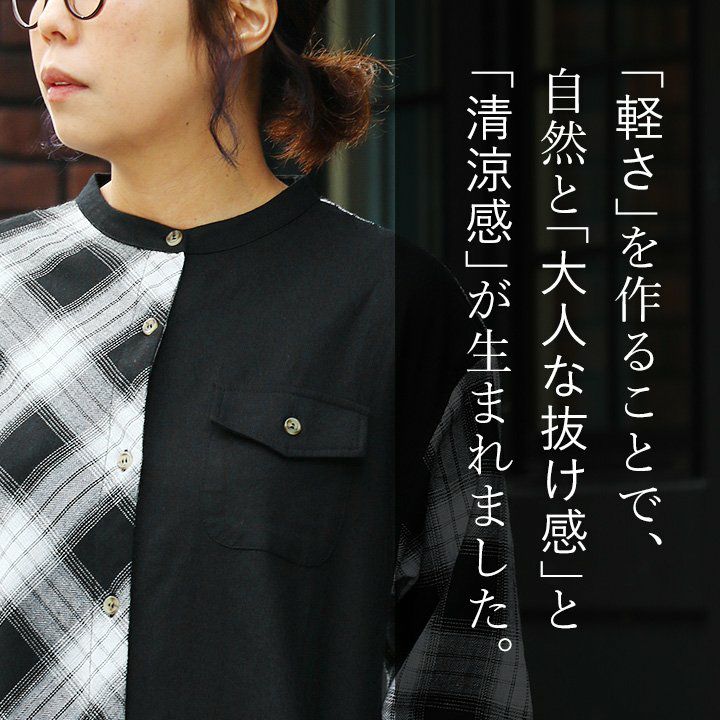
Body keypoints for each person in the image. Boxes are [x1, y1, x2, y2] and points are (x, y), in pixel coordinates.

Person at [0, 0, 532, 718]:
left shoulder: (390, 301)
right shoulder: (6, 283)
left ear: (242, 16)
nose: (49, 23)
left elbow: (464, 669)